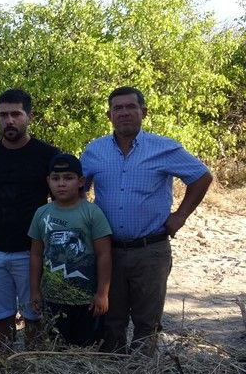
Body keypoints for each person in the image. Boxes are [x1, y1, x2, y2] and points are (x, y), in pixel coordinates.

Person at [81, 86, 212, 355]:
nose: (124, 113)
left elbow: (201, 176)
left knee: (147, 322)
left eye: (131, 107)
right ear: (109, 115)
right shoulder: (94, 151)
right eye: (118, 108)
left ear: (144, 112)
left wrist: (180, 216)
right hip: (108, 251)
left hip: (151, 250)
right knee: (110, 319)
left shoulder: (164, 148)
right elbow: (78, 190)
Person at [0, 89, 61, 356]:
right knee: (1, 318)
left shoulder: (48, 155)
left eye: (16, 114)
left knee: (34, 316)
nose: (9, 120)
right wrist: (1, 225)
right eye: (3, 114)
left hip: (32, 252)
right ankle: (3, 373)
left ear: (29, 117)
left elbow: (61, 201)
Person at [28, 153, 112, 347]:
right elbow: (35, 254)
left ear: (81, 181)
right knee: (56, 348)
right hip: (52, 299)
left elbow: (104, 254)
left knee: (87, 348)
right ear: (48, 181)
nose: (61, 184)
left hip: (87, 300)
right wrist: (34, 291)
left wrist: (102, 293)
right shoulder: (42, 213)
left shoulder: (92, 213)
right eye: (56, 179)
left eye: (68, 178)